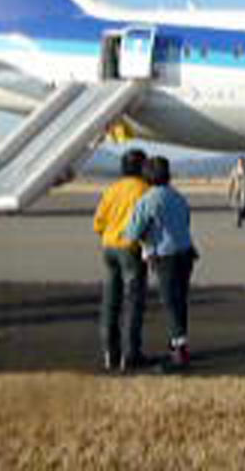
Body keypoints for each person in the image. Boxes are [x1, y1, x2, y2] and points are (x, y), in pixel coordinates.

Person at [125, 156, 197, 371]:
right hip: (186, 252)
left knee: (169, 302)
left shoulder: (147, 200)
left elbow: (133, 232)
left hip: (165, 256)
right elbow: (186, 220)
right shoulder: (178, 197)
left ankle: (179, 349)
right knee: (180, 301)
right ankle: (178, 343)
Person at [93, 148, 149, 372]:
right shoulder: (144, 190)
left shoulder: (112, 189)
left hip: (109, 248)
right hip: (131, 250)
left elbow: (98, 222)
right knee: (133, 302)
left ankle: (110, 353)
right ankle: (131, 353)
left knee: (110, 302)